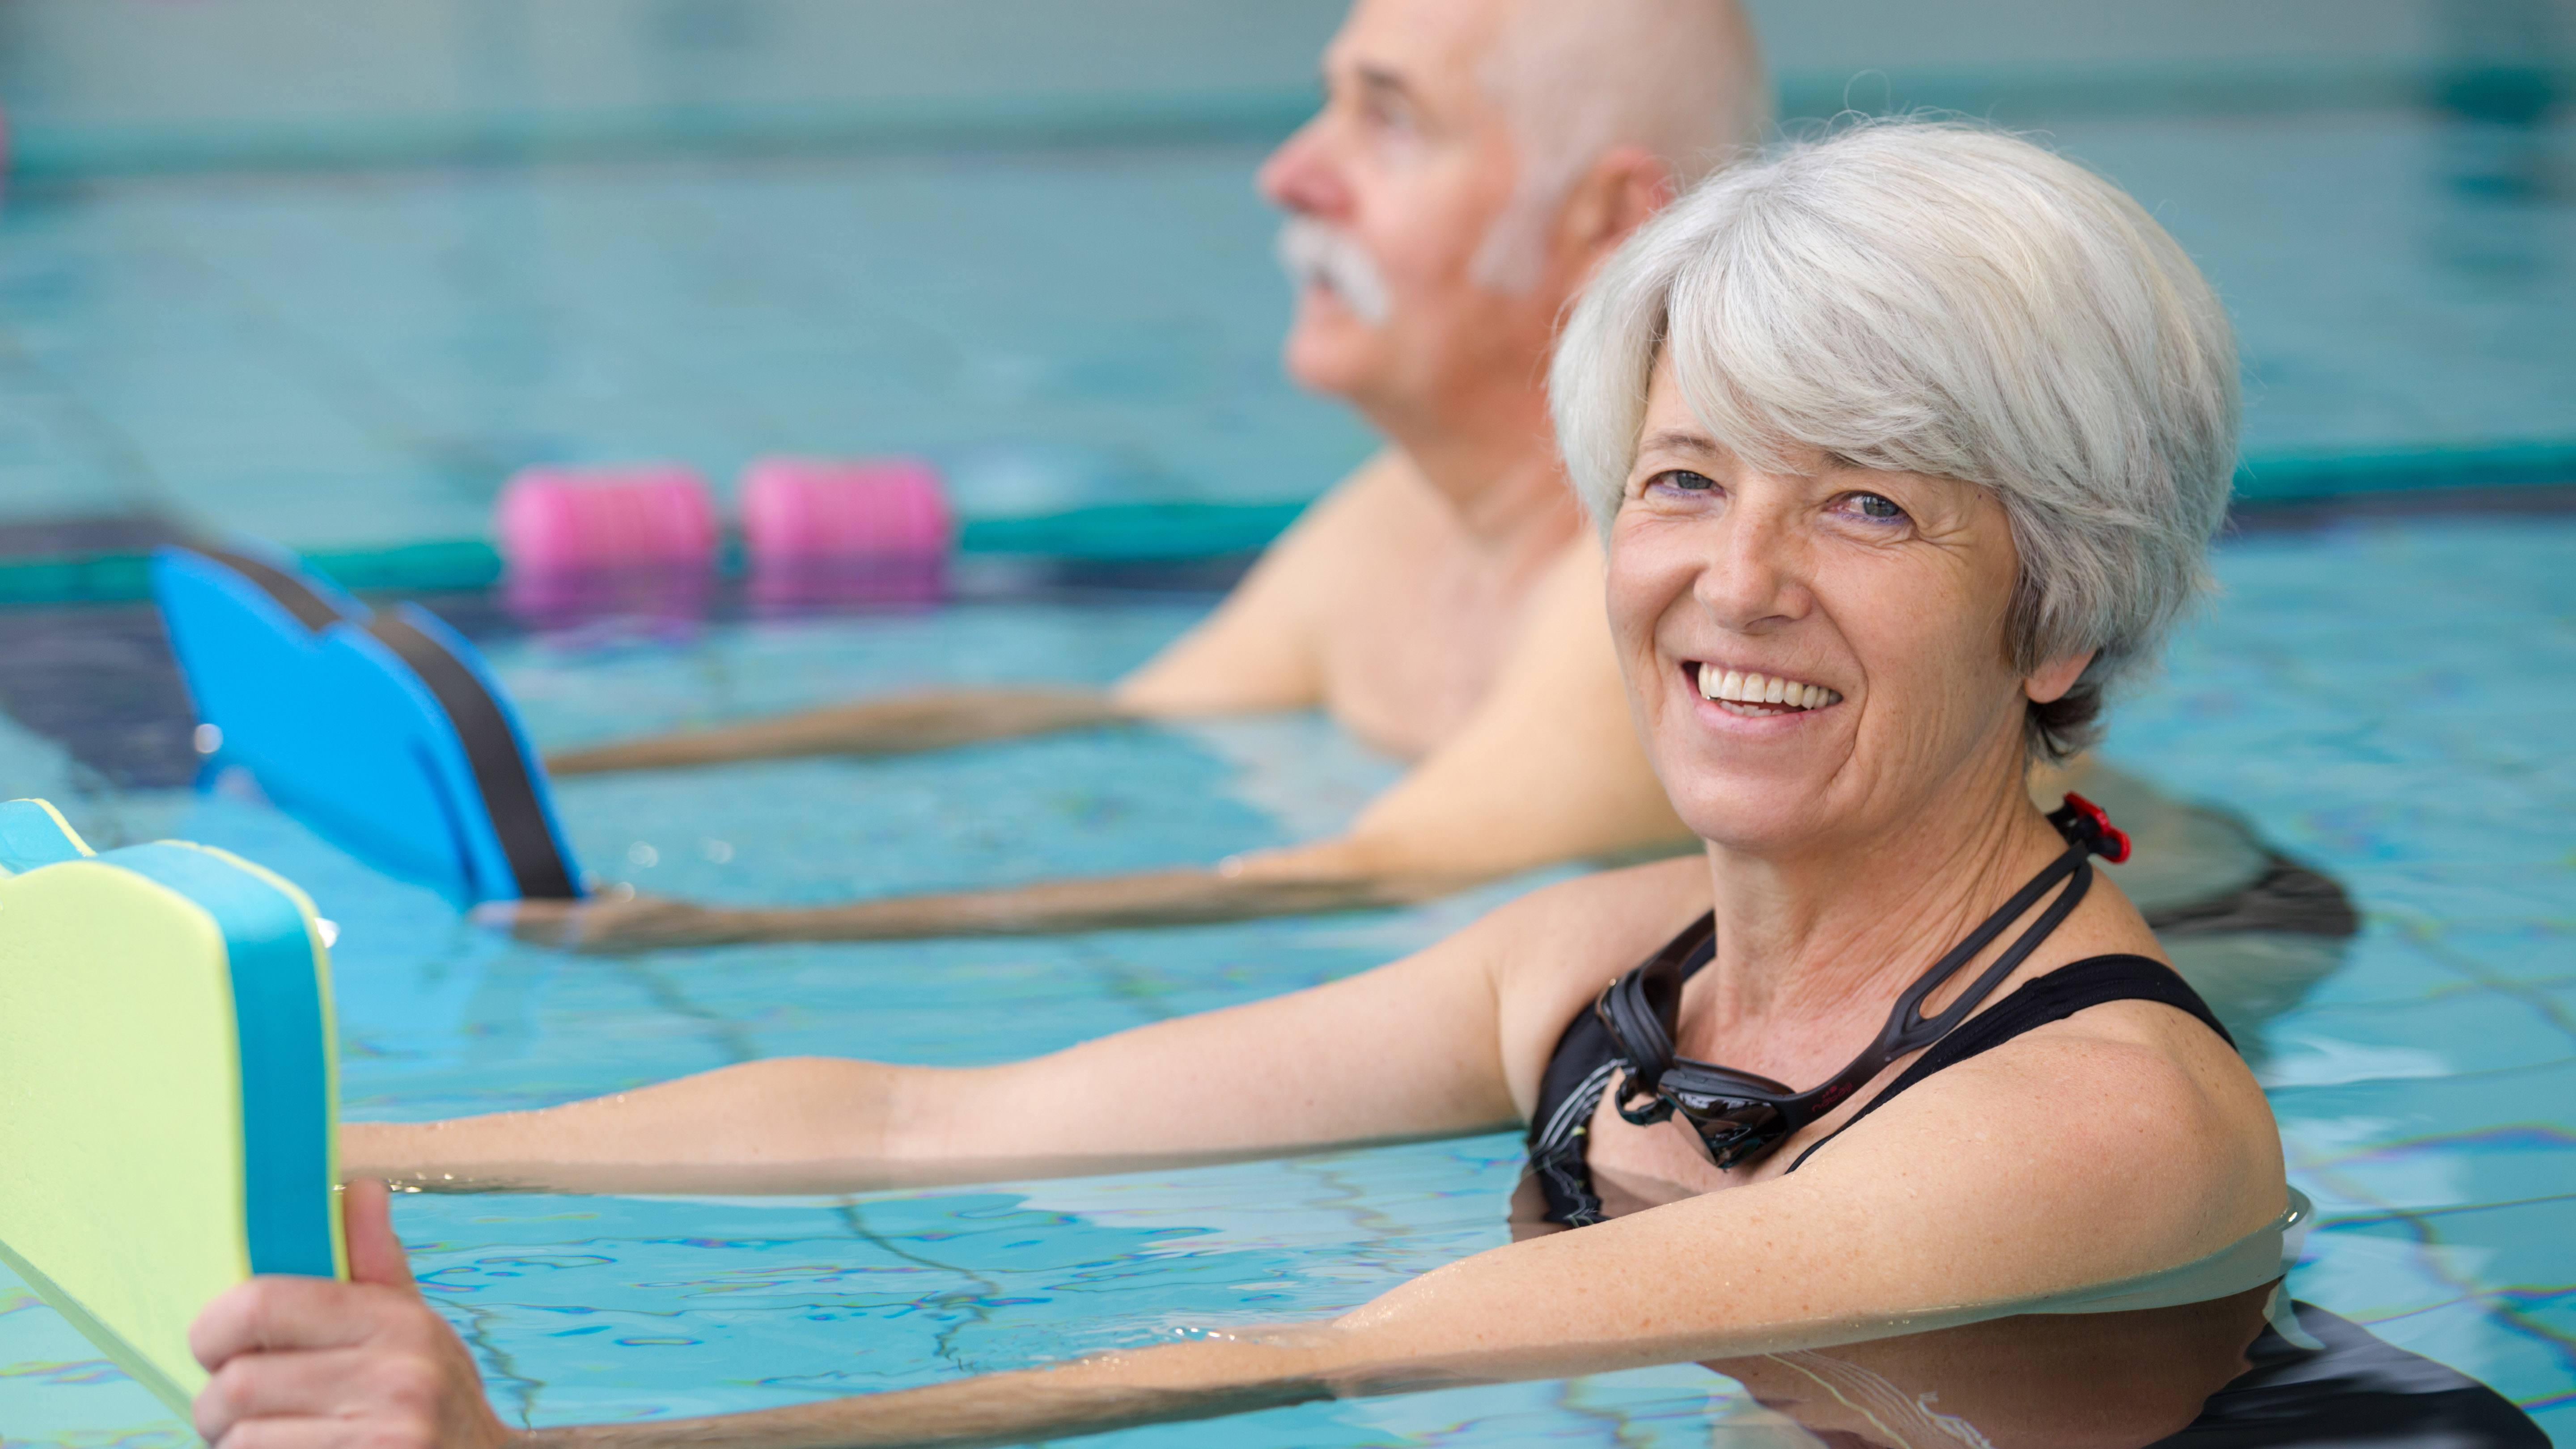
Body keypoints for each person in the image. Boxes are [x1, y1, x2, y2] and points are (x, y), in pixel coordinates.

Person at [191, 121, 2453, 1448]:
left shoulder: (2100, 1118)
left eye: (1870, 509)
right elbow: (929, 1122)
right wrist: (278, 1135)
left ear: (2055, 615)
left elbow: (1300, 1355)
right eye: (1685, 480)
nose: (1733, 583)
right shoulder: (1602, 967)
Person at [501, 0, 1767, 949]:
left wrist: (734, 933)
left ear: (1609, 227)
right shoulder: (1403, 517)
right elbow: (1110, 722)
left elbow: (1367, 875)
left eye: (1389, 123)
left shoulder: (1645, 611)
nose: (1291, 173)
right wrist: (557, 772)